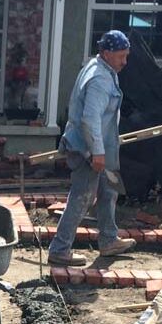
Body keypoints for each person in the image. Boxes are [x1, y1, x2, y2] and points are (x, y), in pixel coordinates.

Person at [48, 29, 137, 267]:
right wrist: (97, 152)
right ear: (107, 53)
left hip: (102, 147)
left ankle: (108, 240)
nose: (124, 62)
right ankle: (60, 249)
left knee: (109, 191)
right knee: (82, 197)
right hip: (88, 149)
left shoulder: (105, 70)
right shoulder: (99, 78)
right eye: (121, 56)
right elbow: (90, 119)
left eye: (126, 56)